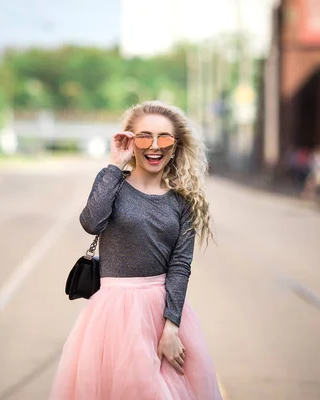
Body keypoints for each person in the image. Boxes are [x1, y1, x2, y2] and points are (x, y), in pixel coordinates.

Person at [49, 101, 222, 399]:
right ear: (131, 140)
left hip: (162, 314)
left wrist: (171, 328)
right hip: (112, 316)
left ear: (176, 144)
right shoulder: (113, 182)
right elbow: (91, 222)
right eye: (144, 136)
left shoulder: (183, 201)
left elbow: (180, 266)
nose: (154, 146)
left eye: (164, 138)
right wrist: (115, 164)